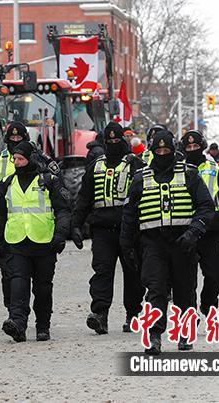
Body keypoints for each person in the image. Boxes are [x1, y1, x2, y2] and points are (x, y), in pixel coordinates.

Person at [120, 130, 214, 354]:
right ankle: (154, 336)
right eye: (158, 150)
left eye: (166, 149)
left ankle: (185, 333)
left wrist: (194, 232)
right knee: (156, 289)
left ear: (173, 149)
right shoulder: (141, 177)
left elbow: (205, 207)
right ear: (152, 151)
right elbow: (129, 215)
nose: (162, 153)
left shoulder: (189, 175)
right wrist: (126, 246)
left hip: (184, 242)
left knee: (185, 290)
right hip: (153, 243)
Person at [0, 141, 71, 342]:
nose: (16, 163)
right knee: (17, 283)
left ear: (31, 159)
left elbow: (63, 210)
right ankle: (17, 323)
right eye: (15, 159)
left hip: (44, 242)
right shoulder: (7, 184)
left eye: (21, 159)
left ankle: (43, 326)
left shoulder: (49, 181)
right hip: (16, 242)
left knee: (43, 288)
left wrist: (60, 236)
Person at [72, 122, 145, 334]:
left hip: (129, 229)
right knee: (102, 272)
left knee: (133, 272)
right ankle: (100, 314)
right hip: (102, 229)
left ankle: (133, 314)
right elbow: (84, 198)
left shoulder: (135, 164)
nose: (113, 143)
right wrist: (76, 225)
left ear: (123, 140)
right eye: (109, 141)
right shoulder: (96, 165)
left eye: (116, 140)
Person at [0, 121, 59, 310]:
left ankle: (38, 319)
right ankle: (14, 313)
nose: (15, 141)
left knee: (41, 282)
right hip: (10, 229)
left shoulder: (42, 159)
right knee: (11, 277)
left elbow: (57, 191)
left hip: (38, 228)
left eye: (19, 138)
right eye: (12, 138)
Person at [179, 131, 219, 316]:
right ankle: (189, 317)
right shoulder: (177, 170)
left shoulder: (215, 169)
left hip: (211, 230)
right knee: (186, 279)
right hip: (185, 230)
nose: (192, 150)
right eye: (188, 147)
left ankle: (208, 302)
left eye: (195, 146)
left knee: (216, 274)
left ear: (202, 146)